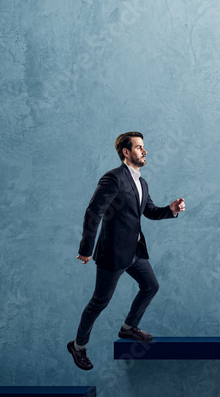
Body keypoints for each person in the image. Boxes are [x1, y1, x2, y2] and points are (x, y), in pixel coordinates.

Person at [67, 131, 185, 370]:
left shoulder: (142, 182)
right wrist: (87, 248)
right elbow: (94, 212)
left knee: (151, 286)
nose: (145, 151)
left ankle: (129, 327)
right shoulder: (113, 178)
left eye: (143, 147)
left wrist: (170, 209)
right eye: (139, 147)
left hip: (136, 251)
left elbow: (149, 211)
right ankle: (78, 346)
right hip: (113, 254)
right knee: (100, 302)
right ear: (126, 152)